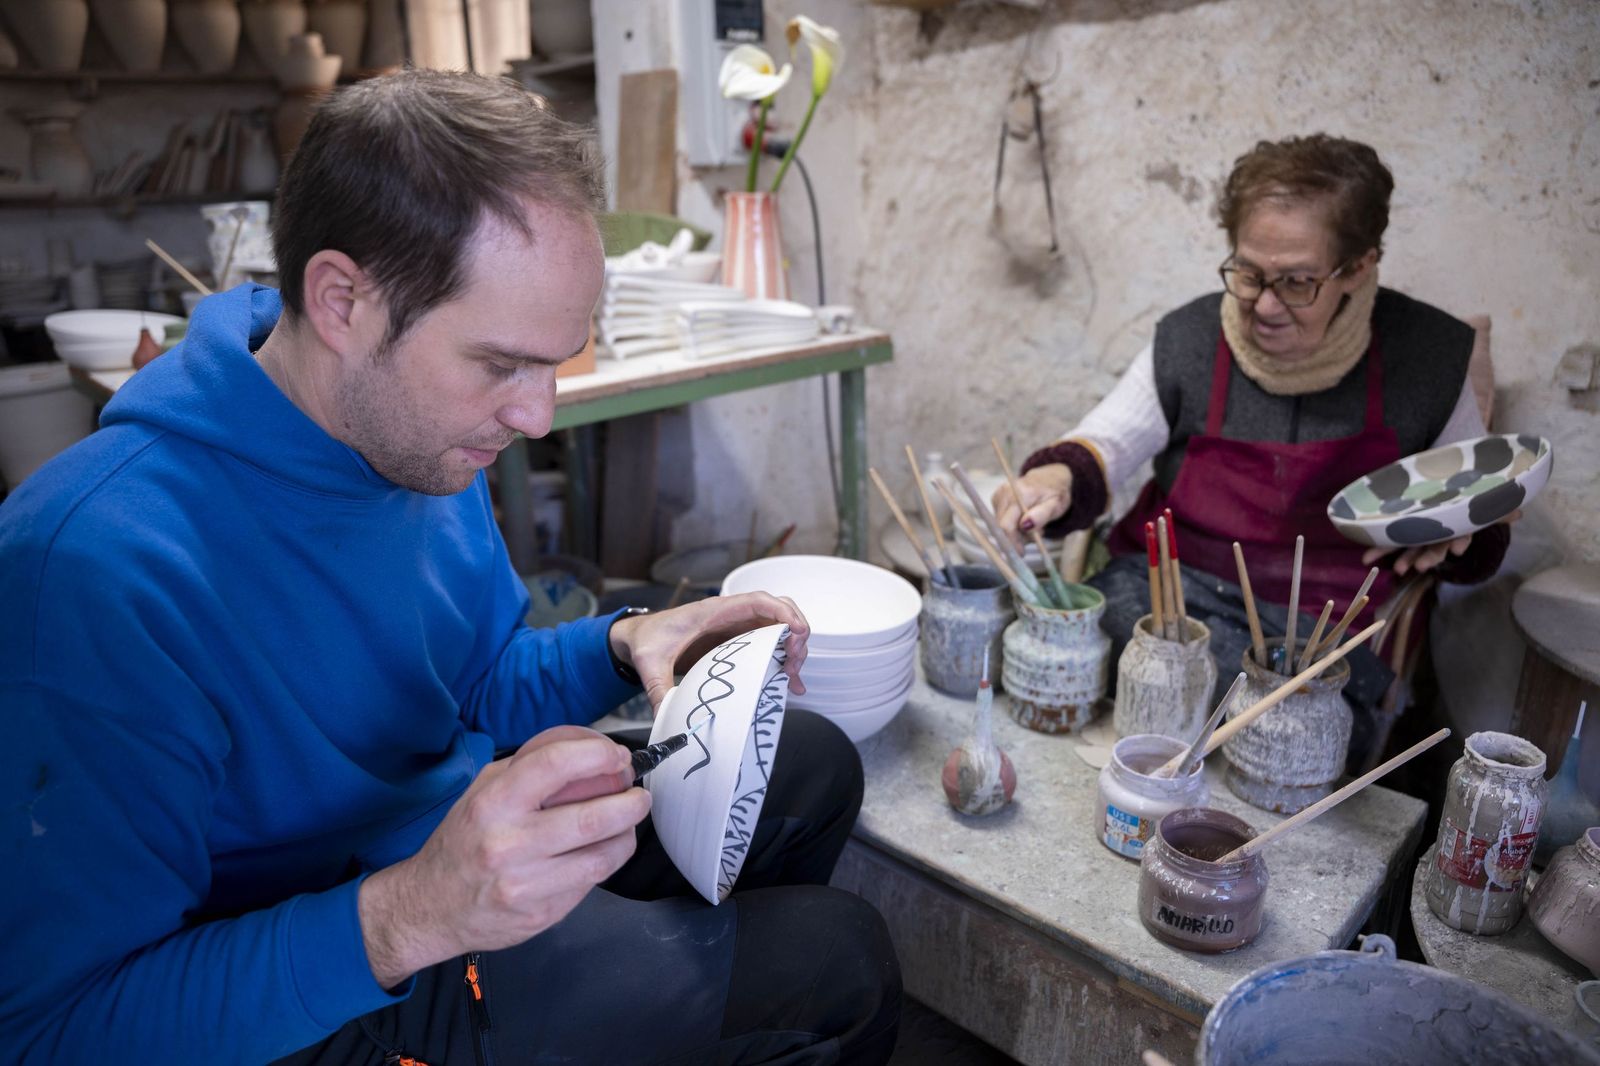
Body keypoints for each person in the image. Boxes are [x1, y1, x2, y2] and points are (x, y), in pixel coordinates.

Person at [0, 71, 900, 1065]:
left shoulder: (414, 431)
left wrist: (619, 641)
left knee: (808, 764)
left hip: (428, 857)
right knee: (835, 964)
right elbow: (53, 1030)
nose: (538, 415)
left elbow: (465, 683)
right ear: (343, 300)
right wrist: (412, 914)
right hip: (309, 978)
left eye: (558, 361)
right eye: (502, 362)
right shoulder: (92, 571)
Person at [994, 133, 1513, 767]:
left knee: (1290, 724)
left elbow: (1476, 523)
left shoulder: (1428, 357)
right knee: (1100, 651)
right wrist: (1052, 479)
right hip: (1167, 591)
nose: (1263, 305)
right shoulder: (1189, 337)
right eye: (1247, 272)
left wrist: (1455, 533)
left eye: (1296, 282)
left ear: (1358, 267)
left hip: (1323, 629)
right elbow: (1102, 447)